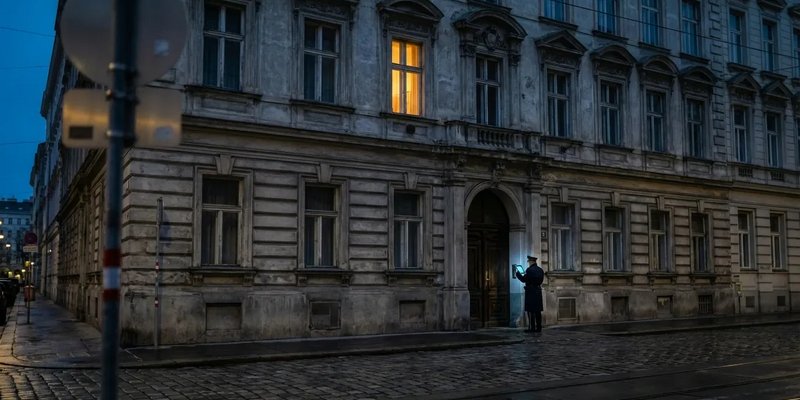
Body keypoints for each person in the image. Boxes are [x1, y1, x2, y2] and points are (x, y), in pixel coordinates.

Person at [515, 255, 544, 332]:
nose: (528, 263)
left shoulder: (529, 270)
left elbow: (524, 279)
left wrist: (518, 274)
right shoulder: (540, 270)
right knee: (538, 311)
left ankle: (532, 328)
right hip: (538, 291)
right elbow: (541, 281)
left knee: (531, 311)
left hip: (531, 291)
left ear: (531, 262)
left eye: (528, 262)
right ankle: (539, 327)